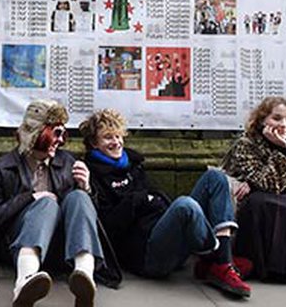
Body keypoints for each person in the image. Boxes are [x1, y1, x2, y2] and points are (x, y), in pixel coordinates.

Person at [78, 109, 250, 298]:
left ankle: (222, 263)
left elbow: (156, 199)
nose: (116, 142)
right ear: (94, 143)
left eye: (119, 136)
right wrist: (138, 200)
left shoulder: (133, 165)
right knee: (185, 206)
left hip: (165, 233)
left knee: (215, 177)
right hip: (147, 255)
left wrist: (150, 200)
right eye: (108, 137)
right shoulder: (91, 174)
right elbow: (108, 228)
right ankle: (218, 259)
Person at [0, 99, 119, 307]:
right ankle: (24, 283)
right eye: (55, 133)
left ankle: (84, 275)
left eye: (63, 133)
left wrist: (86, 188)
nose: (60, 140)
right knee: (46, 204)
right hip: (19, 245)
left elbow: (90, 216)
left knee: (78, 197)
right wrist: (30, 198)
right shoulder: (2, 168)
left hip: (62, 249)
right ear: (36, 133)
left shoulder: (69, 162)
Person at [221, 96, 286, 283]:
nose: (284, 125)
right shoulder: (247, 142)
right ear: (263, 119)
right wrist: (282, 154)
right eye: (277, 118)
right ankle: (257, 267)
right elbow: (263, 180)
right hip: (259, 195)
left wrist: (285, 148)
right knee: (258, 203)